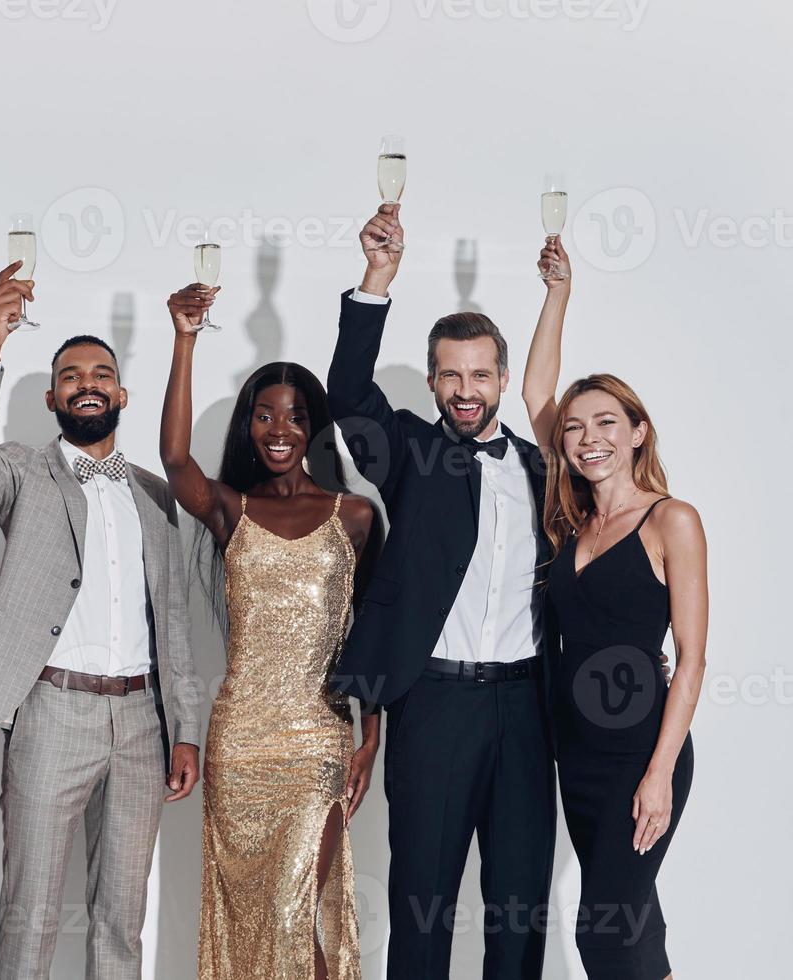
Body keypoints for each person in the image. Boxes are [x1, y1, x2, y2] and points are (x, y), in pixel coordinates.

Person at [0, 261, 204, 980]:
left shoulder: (154, 495)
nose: (85, 382)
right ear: (56, 395)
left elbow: (173, 624)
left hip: (141, 727)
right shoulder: (23, 473)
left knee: (121, 920)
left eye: (99, 373)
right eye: (68, 374)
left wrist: (185, 728)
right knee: (30, 913)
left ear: (120, 394)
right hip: (52, 711)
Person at [326, 203, 560, 979]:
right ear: (431, 381)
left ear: (500, 380)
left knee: (519, 909)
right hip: (433, 706)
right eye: (451, 375)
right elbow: (349, 397)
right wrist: (377, 280)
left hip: (527, 710)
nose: (466, 390)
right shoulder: (408, 451)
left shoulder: (540, 469)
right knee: (422, 901)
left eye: (481, 374)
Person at [159, 283, 380, 980]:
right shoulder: (231, 510)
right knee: (248, 916)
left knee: (296, 913)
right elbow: (173, 463)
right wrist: (185, 339)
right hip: (239, 742)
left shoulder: (355, 517)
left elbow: (370, 636)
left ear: (314, 426)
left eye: (293, 416)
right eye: (262, 415)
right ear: (248, 427)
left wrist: (371, 736)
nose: (278, 429)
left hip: (316, 741)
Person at [521, 237, 706, 979]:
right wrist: (556, 295)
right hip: (577, 753)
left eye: (605, 423)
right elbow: (536, 394)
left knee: (601, 932)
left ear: (636, 434)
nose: (587, 438)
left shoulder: (672, 520)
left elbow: (691, 659)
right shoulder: (569, 526)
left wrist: (658, 772)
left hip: (641, 752)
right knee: (633, 928)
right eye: (575, 428)